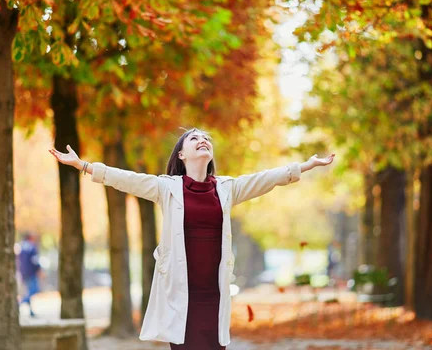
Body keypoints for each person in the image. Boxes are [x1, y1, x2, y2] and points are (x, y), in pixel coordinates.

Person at [49, 128, 334, 349]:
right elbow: (126, 178)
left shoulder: (226, 188)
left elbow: (266, 178)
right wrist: (84, 166)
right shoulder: (166, 187)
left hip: (215, 293)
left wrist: (304, 166)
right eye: (194, 138)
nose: (203, 141)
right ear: (181, 155)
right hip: (181, 295)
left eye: (206, 139)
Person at [18, 232, 41, 317]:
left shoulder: (21, 247)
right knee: (34, 290)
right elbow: (35, 261)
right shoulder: (32, 248)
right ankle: (19, 303)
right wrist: (39, 270)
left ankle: (31, 311)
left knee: (28, 291)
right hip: (31, 273)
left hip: (23, 273)